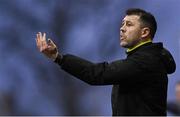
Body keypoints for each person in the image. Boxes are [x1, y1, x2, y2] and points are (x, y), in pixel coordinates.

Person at [36, 8, 176, 116]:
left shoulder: (145, 61)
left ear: (144, 33)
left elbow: (97, 74)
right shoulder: (144, 59)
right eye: (122, 24)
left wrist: (59, 58)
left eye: (129, 24)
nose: (122, 28)